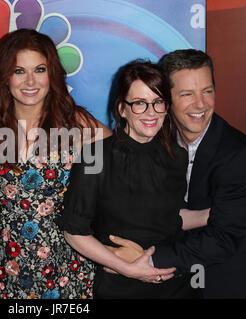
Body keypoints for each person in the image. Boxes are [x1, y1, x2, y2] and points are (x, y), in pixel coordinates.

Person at [110, 49, 246, 298]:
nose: (201, 104)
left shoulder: (239, 155)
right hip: (183, 284)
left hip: (234, 282)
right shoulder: (160, 144)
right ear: (166, 99)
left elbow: (222, 239)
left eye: (207, 91)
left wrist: (148, 259)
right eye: (187, 94)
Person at [0, 29, 111, 299]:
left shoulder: (75, 124)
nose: (30, 81)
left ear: (53, 74)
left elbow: (123, 164)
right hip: (5, 273)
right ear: (5, 77)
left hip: (66, 271)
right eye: (18, 70)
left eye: (39, 69)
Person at [56, 60, 209, 298]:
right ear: (122, 109)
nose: (151, 113)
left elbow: (170, 217)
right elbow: (74, 231)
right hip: (121, 285)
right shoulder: (95, 156)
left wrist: (216, 213)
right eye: (140, 104)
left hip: (176, 283)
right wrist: (128, 269)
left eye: (158, 103)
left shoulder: (177, 155)